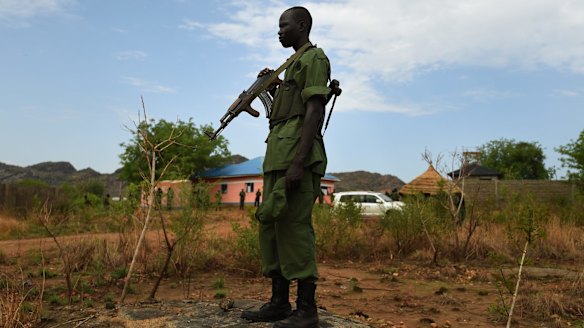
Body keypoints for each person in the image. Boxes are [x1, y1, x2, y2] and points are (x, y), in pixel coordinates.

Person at [241, 6, 330, 328]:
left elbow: (314, 111)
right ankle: (279, 302)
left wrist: (299, 161)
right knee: (273, 228)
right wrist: (276, 87)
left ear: (302, 25)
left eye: (284, 25)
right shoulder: (290, 65)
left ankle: (307, 310)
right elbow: (289, 108)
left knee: (294, 229)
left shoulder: (314, 59)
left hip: (296, 157)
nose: (279, 31)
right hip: (277, 154)